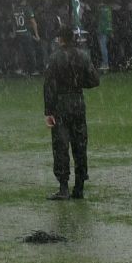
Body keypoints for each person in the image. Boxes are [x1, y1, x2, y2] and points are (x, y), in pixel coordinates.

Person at [41, 28, 100, 200]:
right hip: (78, 102)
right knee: (80, 144)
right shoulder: (83, 56)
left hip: (61, 104)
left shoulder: (54, 58)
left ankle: (63, 187)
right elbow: (94, 80)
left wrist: (48, 111)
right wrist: (78, 84)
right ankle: (79, 186)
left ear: (60, 39)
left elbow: (49, 86)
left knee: (61, 145)